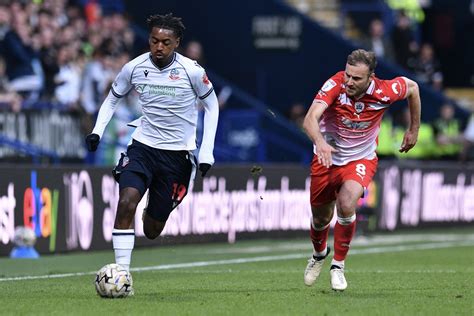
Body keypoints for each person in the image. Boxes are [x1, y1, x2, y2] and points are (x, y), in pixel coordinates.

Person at [84, 13, 219, 286]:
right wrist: (97, 130)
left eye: (165, 42)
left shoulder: (192, 71)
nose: (159, 47)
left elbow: (212, 107)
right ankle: (123, 276)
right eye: (154, 41)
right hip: (142, 147)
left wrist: (206, 152)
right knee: (125, 202)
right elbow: (112, 99)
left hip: (177, 156)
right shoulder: (134, 67)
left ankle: (153, 211)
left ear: (176, 43)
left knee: (153, 229)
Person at [302, 49, 421, 291]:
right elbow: (310, 119)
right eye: (347, 75)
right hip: (326, 159)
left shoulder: (385, 91)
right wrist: (321, 142)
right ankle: (318, 254)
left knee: (346, 203)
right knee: (320, 219)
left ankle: (338, 266)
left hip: (360, 160)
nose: (349, 82)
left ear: (371, 77)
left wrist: (414, 130)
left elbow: (413, 88)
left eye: (356, 78)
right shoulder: (335, 85)